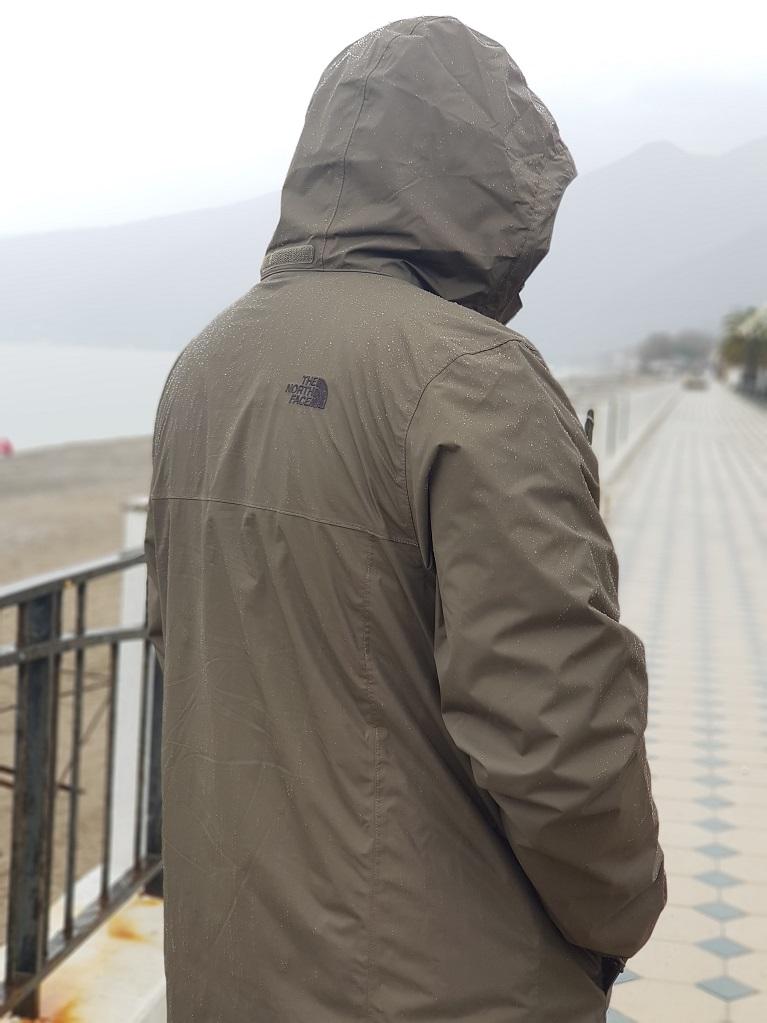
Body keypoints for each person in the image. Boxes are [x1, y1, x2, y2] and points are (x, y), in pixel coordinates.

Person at [145, 15, 666, 1022]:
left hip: (230, 959)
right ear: (492, 185)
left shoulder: (204, 364)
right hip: (439, 978)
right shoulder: (472, 376)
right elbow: (553, 728)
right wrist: (618, 915)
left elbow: (184, 642)